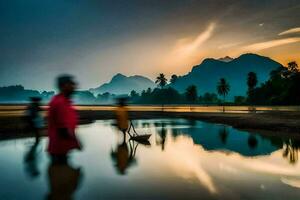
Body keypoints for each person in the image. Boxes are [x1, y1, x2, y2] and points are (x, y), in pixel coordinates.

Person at [47, 75, 81, 163]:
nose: (74, 87)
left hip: (62, 148)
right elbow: (63, 129)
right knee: (62, 172)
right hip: (59, 148)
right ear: (63, 86)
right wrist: (76, 143)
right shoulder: (60, 102)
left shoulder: (65, 101)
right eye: (71, 84)